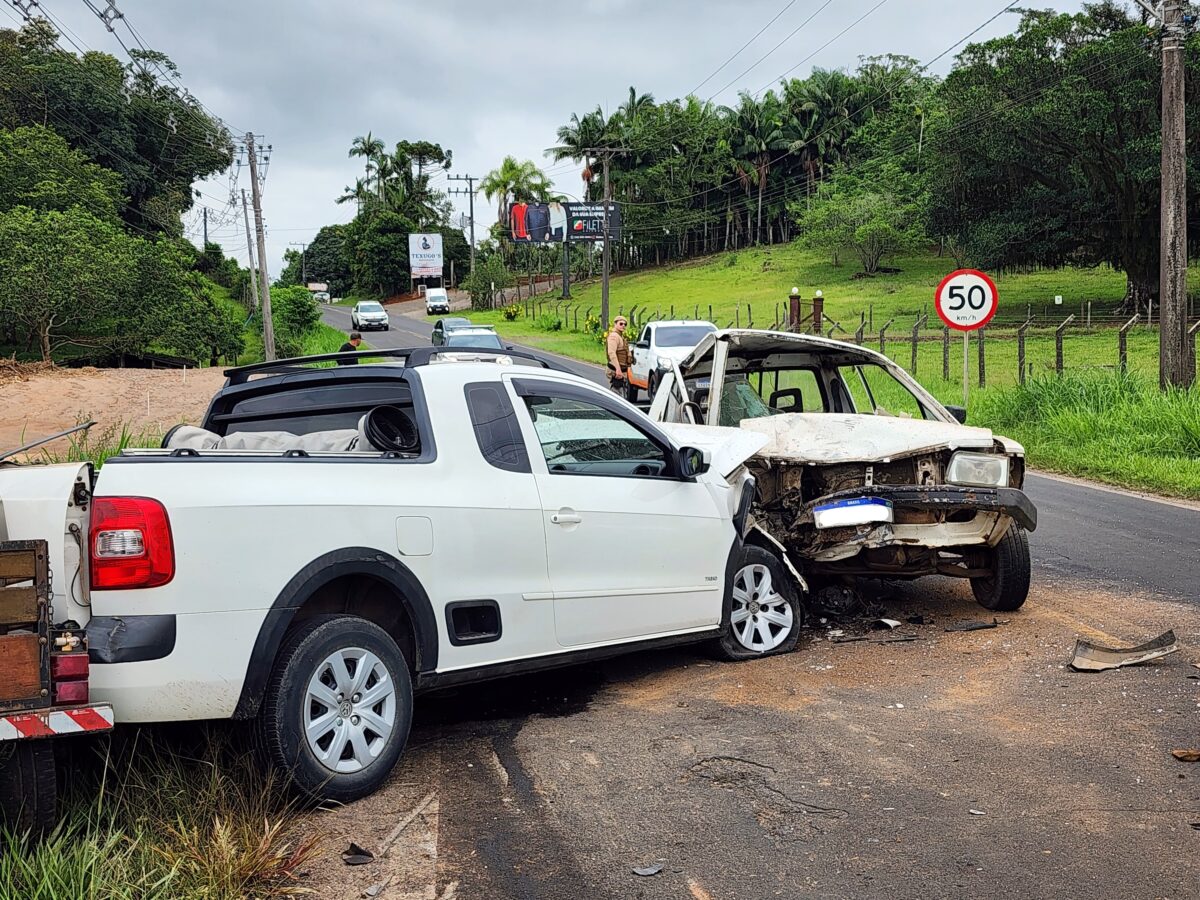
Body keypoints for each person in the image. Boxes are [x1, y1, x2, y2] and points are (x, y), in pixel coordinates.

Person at [605, 316, 630, 393]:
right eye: (621, 324)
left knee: (620, 392)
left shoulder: (620, 336)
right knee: (616, 393)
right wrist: (618, 369)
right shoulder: (614, 336)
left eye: (625, 324)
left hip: (621, 370)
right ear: (615, 324)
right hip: (615, 370)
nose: (623, 326)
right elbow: (611, 353)